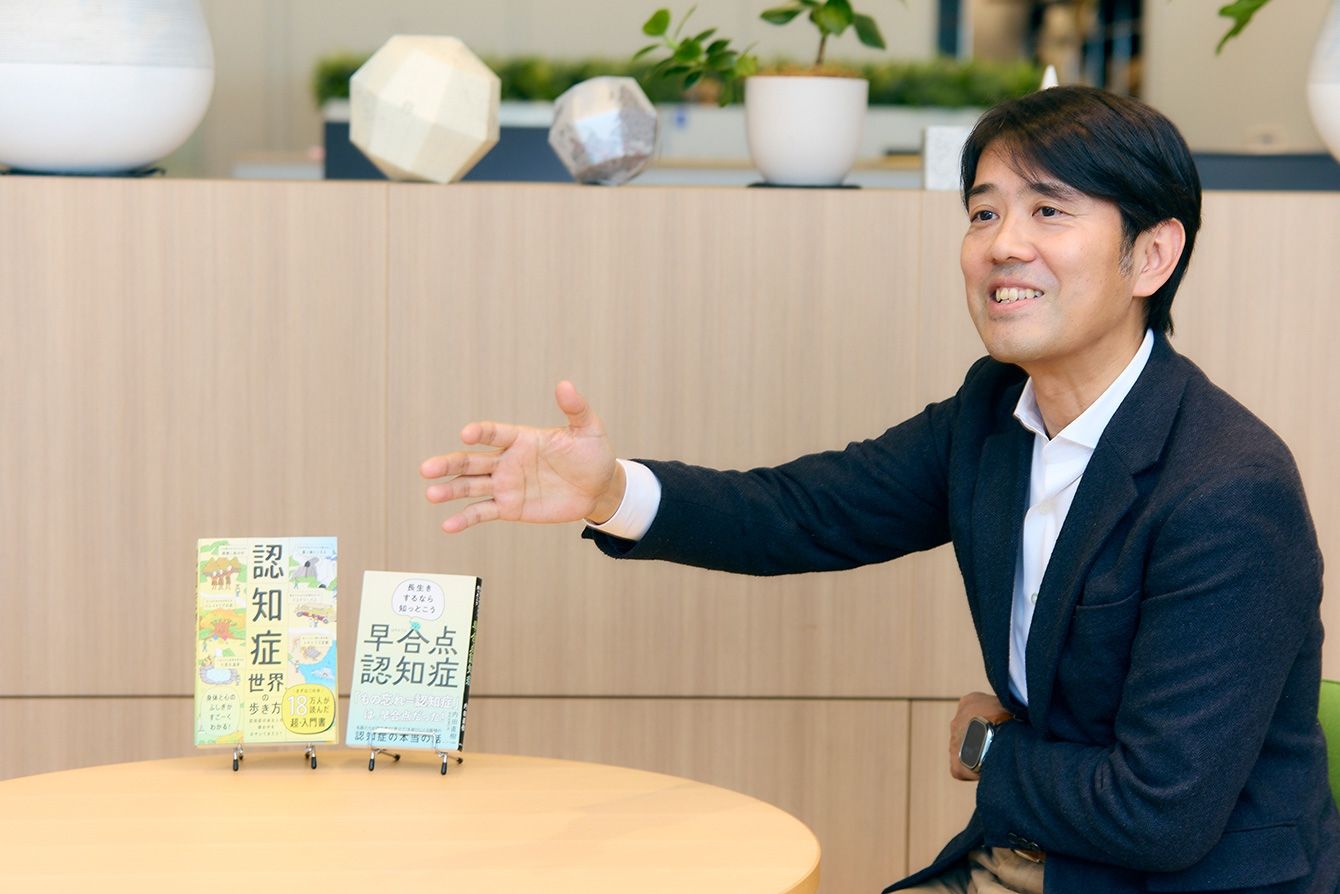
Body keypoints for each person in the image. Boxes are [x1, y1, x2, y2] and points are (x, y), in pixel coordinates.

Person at [419, 86, 1340, 892]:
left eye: (1049, 212)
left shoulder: (1227, 489)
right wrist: (610, 490)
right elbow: (804, 513)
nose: (1003, 246)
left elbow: (1158, 814)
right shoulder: (994, 413)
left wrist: (989, 747)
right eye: (983, 213)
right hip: (1036, 857)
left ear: (1151, 256)